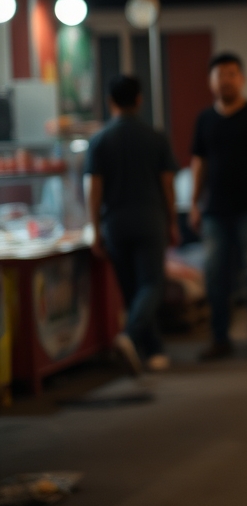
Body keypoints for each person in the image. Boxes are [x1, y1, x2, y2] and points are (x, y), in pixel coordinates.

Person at [190, 53, 247, 360]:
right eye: (220, 75)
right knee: (215, 275)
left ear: (241, 79)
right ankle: (220, 338)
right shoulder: (205, 119)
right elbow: (198, 163)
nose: (225, 80)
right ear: (210, 81)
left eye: (231, 74)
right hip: (215, 210)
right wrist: (193, 203)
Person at [86, 75, 179, 374]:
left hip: (115, 222)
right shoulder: (155, 137)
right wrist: (172, 220)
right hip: (150, 218)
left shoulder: (99, 140)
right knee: (152, 284)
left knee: (131, 289)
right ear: (139, 100)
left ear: (110, 102)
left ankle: (151, 351)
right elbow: (168, 184)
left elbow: (94, 188)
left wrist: (95, 228)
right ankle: (133, 339)